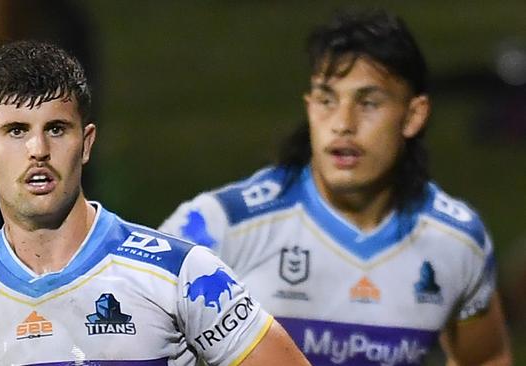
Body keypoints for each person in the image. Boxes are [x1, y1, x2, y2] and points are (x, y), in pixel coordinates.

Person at [0, 41, 309, 366]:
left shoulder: (181, 275)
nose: (37, 149)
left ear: (85, 143)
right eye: (14, 130)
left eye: (56, 129)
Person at [159, 9, 513, 366]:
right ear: (310, 107)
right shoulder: (222, 226)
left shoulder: (456, 241)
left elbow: (486, 357)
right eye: (327, 100)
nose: (343, 123)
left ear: (413, 116)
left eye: (368, 103)